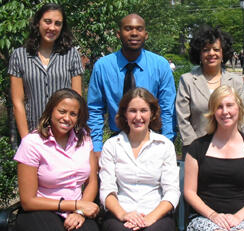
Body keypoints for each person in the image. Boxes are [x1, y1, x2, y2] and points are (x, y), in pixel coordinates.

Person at [87, 14, 176, 157]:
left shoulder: (160, 66)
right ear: (118, 34)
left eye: (139, 29)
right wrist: (96, 147)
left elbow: (167, 109)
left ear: (146, 35)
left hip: (153, 141)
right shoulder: (103, 67)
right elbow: (95, 110)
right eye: (128, 29)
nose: (134, 33)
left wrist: (167, 143)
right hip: (117, 142)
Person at [14, 88, 99, 231]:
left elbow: (92, 181)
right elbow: (28, 201)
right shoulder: (32, 143)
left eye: (73, 114)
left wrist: (80, 212)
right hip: (40, 210)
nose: (67, 118)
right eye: (62, 111)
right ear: (51, 111)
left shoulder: (84, 139)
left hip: (76, 211)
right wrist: (75, 205)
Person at [184, 85, 244, 231]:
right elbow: (190, 192)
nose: (225, 112)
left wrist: (238, 217)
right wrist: (213, 215)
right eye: (219, 107)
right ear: (213, 112)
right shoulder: (197, 148)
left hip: (243, 220)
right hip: (204, 218)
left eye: (229, 105)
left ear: (239, 108)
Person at [99, 88, 180, 231]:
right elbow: (107, 190)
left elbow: (172, 191)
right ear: (124, 114)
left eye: (143, 110)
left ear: (152, 113)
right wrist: (124, 214)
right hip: (121, 214)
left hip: (156, 214)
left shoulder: (164, 145)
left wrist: (150, 218)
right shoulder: (111, 146)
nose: (138, 117)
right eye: (132, 111)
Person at [9, 3, 84, 138]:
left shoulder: (71, 54)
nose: (52, 27)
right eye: (47, 22)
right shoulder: (19, 55)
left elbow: (77, 99)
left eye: (57, 23)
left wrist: (76, 134)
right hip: (34, 132)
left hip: (65, 134)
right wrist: (26, 139)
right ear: (38, 23)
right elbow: (17, 102)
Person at [176, 25, 244, 156]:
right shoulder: (187, 80)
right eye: (206, 50)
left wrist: (234, 142)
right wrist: (195, 147)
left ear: (223, 53)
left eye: (216, 49)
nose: (211, 53)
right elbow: (182, 118)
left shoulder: (236, 82)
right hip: (195, 149)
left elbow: (242, 118)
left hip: (229, 148)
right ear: (199, 54)